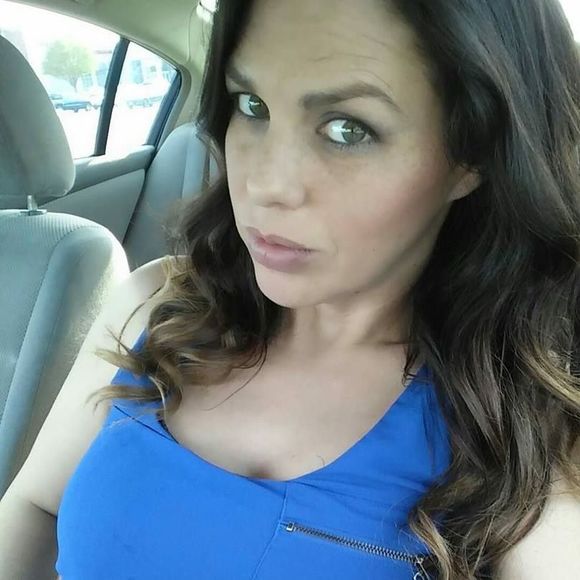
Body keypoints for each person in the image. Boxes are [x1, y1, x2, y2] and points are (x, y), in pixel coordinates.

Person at [1, 0, 579, 578]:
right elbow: (33, 508)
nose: (265, 184)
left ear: (471, 156)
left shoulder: (526, 429)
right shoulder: (154, 303)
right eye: (251, 105)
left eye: (347, 129)